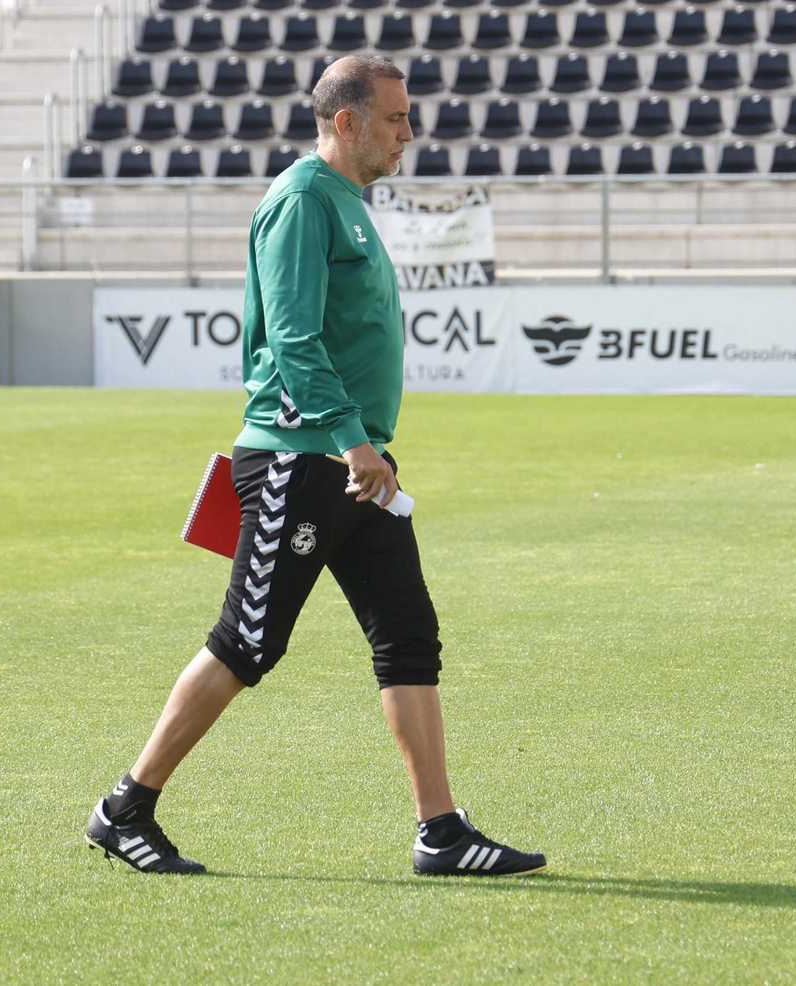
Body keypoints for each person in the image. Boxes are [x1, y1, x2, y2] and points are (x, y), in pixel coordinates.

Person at [86, 56, 546, 877]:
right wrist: (352, 440)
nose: (410, 132)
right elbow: (293, 339)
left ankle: (440, 832)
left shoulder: (348, 204)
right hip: (304, 458)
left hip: (350, 462)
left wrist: (369, 449)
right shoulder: (302, 201)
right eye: (396, 118)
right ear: (347, 122)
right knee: (247, 643)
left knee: (409, 638)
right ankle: (125, 808)